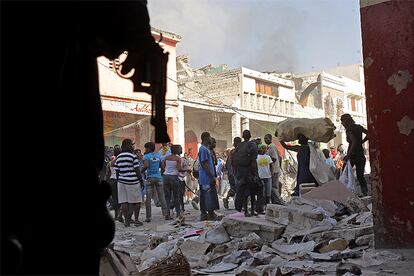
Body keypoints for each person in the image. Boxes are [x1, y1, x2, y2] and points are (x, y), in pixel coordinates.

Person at [115, 139, 144, 227]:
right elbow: (137, 170)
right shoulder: (133, 157)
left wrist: (119, 180)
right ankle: (136, 220)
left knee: (124, 202)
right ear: (129, 146)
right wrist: (141, 181)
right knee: (137, 201)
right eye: (132, 144)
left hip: (121, 182)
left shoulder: (118, 157)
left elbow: (117, 171)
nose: (133, 146)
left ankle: (127, 222)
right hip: (133, 182)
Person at [340, 113, 369, 196]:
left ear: (346, 121)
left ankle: (344, 193)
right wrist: (362, 141)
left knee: (344, 174)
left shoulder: (349, 129)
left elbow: (354, 141)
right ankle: (365, 193)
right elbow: (368, 133)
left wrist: (348, 155)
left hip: (352, 155)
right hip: (360, 154)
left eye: (342, 121)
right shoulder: (359, 127)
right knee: (360, 176)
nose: (342, 123)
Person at [142, 142, 171, 222]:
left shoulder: (146, 156)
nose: (145, 150)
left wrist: (141, 171)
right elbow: (162, 167)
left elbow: (146, 166)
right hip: (158, 178)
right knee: (162, 197)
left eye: (145, 148)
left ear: (148, 148)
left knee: (148, 199)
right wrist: (160, 174)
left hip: (150, 178)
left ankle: (148, 217)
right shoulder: (159, 156)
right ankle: (166, 215)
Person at [233, 130, 259, 216]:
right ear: (250, 136)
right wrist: (255, 173)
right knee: (251, 191)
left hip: (240, 171)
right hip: (249, 170)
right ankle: (250, 210)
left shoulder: (239, 146)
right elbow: (253, 160)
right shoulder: (252, 145)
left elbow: (235, 159)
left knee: (244, 191)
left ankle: (246, 210)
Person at [198, 132, 220, 220]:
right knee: (208, 195)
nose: (211, 139)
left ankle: (205, 214)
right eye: (210, 137)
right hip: (206, 177)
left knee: (205, 195)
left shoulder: (206, 149)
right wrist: (211, 176)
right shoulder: (203, 149)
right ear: (206, 138)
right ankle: (210, 214)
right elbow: (204, 164)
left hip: (206, 176)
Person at [162, 144, 183, 218]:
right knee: (176, 196)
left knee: (167, 196)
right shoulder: (178, 158)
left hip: (165, 176)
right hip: (174, 177)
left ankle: (167, 214)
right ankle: (178, 213)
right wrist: (187, 170)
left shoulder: (166, 158)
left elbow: (163, 167)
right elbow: (179, 169)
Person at [264, 134, 284, 204]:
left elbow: (274, 159)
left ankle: (280, 201)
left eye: (266, 138)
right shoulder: (269, 147)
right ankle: (275, 201)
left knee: (273, 187)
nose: (265, 140)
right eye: (265, 138)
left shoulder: (272, 146)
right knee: (273, 187)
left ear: (270, 139)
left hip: (274, 170)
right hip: (273, 170)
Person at [223, 137, 242, 209]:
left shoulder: (232, 151)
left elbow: (228, 163)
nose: (233, 144)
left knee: (234, 188)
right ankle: (238, 204)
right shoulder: (236, 151)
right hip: (235, 173)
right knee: (238, 188)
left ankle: (227, 198)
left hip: (232, 173)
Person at [106, 146, 122, 221]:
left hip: (112, 181)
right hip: (120, 181)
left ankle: (116, 215)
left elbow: (107, 174)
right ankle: (119, 215)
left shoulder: (110, 163)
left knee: (115, 199)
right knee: (121, 199)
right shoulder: (122, 161)